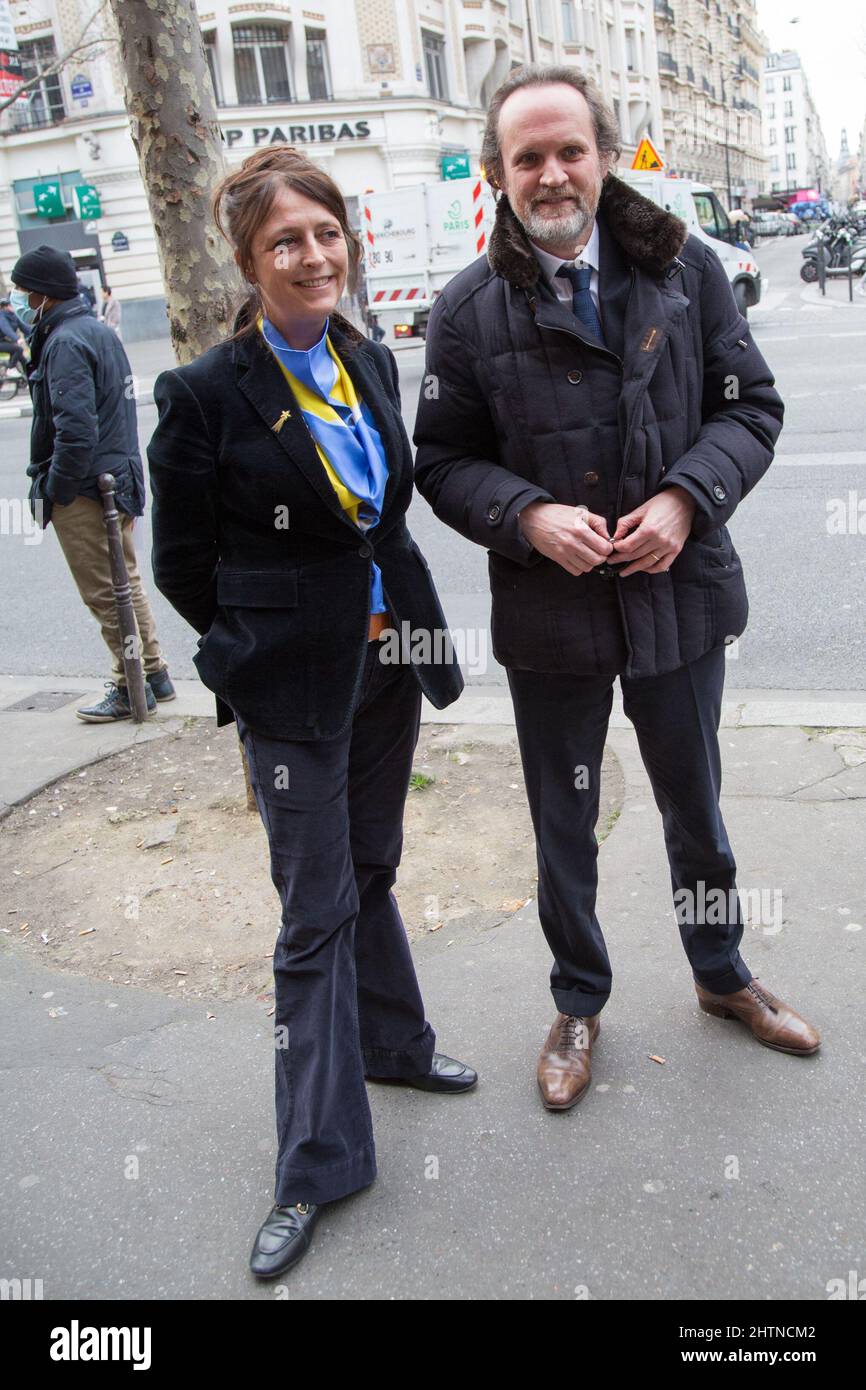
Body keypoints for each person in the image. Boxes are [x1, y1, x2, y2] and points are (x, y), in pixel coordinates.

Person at [413, 65, 820, 1114]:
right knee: (566, 819)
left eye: (567, 151)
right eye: (526, 158)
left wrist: (688, 498)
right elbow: (442, 460)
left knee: (695, 808)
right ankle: (577, 999)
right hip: (550, 615)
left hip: (675, 600)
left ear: (601, 153)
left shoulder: (684, 273)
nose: (550, 175)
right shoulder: (462, 312)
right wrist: (524, 516)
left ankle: (720, 973)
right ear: (496, 175)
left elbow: (750, 407)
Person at [146, 146, 475, 1281]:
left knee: (371, 867)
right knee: (311, 917)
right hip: (291, 686)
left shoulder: (365, 354)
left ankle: (392, 1043)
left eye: (325, 232)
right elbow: (182, 562)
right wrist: (249, 653)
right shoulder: (202, 393)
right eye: (286, 241)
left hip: (387, 667)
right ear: (248, 260)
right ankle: (314, 1159)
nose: (312, 254)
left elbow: (380, 518)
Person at [10, 245, 175, 721]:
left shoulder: (64, 343)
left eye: (25, 292)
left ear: (43, 294)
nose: (22, 301)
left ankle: (130, 687)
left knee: (106, 591)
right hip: (114, 478)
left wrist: (57, 490)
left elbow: (75, 430)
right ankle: (154, 673)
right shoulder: (94, 330)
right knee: (124, 582)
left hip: (86, 488)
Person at [0, 294, 30, 377]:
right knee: (18, 349)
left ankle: (28, 379)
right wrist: (17, 339)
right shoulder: (1, 315)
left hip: (4, 341)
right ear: (5, 307)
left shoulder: (14, 316)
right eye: (11, 305)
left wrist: (36, 333)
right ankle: (10, 369)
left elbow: (25, 327)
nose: (13, 306)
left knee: (24, 360)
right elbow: (5, 328)